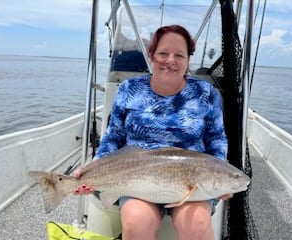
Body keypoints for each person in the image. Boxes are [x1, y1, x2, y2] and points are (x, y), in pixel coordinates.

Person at [74, 24, 232, 240]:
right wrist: (96, 166)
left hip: (194, 180)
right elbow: (114, 136)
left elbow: (216, 140)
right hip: (136, 176)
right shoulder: (129, 89)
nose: (170, 60)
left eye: (179, 55)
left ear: (188, 60)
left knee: (196, 224)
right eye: (163, 53)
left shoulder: (205, 93)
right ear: (152, 56)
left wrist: (220, 179)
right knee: (136, 221)